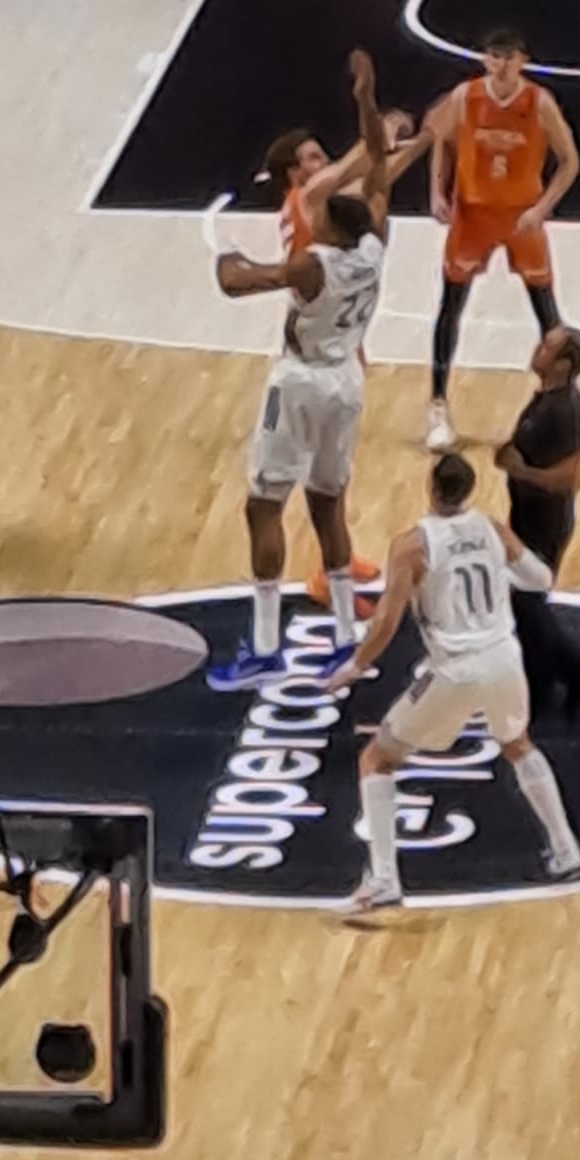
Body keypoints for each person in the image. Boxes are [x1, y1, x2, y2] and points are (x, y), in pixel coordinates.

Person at [326, 453, 580, 912]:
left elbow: (386, 620)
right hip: (504, 656)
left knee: (377, 759)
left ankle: (384, 880)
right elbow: (541, 578)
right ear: (469, 489)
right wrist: (497, 579)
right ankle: (567, 852)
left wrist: (355, 665)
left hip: (456, 668)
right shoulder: (492, 529)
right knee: (517, 743)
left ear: (431, 487)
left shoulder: (412, 545)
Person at [207, 51, 391, 690]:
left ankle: (264, 647)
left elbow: (237, 283)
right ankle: (343, 640)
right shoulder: (375, 246)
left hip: (301, 381)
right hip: (348, 383)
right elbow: (378, 161)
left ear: (328, 226)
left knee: (263, 507)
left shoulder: (313, 265)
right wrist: (365, 99)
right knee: (328, 506)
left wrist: (226, 257)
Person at [264, 103, 431, 615]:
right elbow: (367, 168)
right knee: (319, 476)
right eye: (315, 158)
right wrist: (393, 127)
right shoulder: (309, 203)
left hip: (333, 341)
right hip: (316, 360)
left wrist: (424, 141)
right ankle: (324, 572)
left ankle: (339, 554)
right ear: (295, 173)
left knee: (332, 471)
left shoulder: (320, 206)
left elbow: (375, 179)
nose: (326, 163)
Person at [425, 29, 580, 451]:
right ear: (485, 60)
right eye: (495, 57)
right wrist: (437, 192)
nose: (502, 65)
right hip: (472, 212)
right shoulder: (465, 96)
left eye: (509, 57)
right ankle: (437, 405)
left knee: (546, 311)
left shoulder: (539, 103)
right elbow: (441, 141)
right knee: (451, 305)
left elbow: (570, 161)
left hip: (519, 216)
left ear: (522, 61)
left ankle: (565, 406)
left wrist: (542, 208)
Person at [494, 324, 580, 722]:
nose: (537, 350)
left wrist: (521, 472)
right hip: (528, 515)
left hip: (545, 521)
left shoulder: (563, 409)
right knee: (525, 605)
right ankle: (561, 680)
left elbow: (571, 478)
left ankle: (573, 678)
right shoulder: (548, 399)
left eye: (546, 348)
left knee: (528, 604)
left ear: (563, 364)